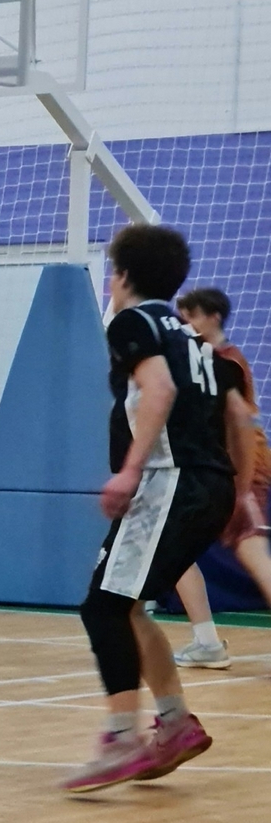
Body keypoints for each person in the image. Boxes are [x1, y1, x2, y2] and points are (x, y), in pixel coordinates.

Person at [62, 226, 236, 794]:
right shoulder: (192, 335)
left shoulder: (134, 321)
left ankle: (121, 738)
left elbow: (159, 390)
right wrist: (236, 495)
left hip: (169, 481)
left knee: (103, 607)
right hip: (208, 483)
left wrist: (130, 470)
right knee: (129, 606)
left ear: (121, 276)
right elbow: (234, 414)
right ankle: (175, 723)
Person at [165, 287, 271, 669]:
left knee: (254, 555)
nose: (186, 325)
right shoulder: (201, 359)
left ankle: (207, 642)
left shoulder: (227, 361)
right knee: (175, 550)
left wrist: (242, 485)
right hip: (214, 470)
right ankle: (207, 642)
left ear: (213, 317)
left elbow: (238, 420)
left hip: (244, 469)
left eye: (191, 317)